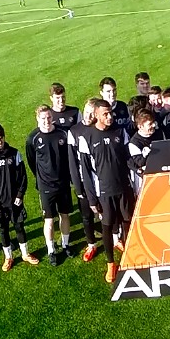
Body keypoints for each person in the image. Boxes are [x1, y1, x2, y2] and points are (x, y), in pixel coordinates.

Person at [76, 99, 133, 284]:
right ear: (96, 116)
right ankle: (111, 263)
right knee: (107, 227)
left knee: (126, 222)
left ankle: (130, 255)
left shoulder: (120, 131)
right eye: (106, 114)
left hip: (123, 187)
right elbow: (85, 171)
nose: (110, 117)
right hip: (104, 192)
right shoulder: (87, 137)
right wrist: (92, 199)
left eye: (111, 113)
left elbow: (128, 159)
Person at [0, 124, 38, 271]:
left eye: (1, 138)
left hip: (15, 201)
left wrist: (20, 195)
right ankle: (8, 257)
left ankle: (25, 254)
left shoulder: (14, 153)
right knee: (3, 230)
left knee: (19, 227)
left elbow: (22, 177)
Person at [25, 106, 73, 265]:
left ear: (52, 117)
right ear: (37, 119)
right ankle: (51, 250)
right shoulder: (32, 138)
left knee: (65, 215)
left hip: (63, 183)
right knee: (49, 220)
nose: (46, 121)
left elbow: (68, 157)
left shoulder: (63, 133)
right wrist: (41, 178)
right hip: (46, 186)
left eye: (48, 118)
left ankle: (66, 244)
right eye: (43, 118)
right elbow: (32, 161)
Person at [67, 100, 102, 262]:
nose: (88, 115)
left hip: (101, 180)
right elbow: (72, 163)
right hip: (84, 181)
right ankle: (91, 244)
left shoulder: (100, 128)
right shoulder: (74, 131)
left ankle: (116, 239)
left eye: (91, 112)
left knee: (106, 212)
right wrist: (78, 187)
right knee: (87, 216)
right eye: (86, 111)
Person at [127, 109, 158, 195]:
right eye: (150, 124)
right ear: (140, 126)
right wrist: (146, 154)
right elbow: (140, 163)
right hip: (144, 180)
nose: (154, 125)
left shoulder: (159, 134)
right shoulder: (134, 143)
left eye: (153, 122)